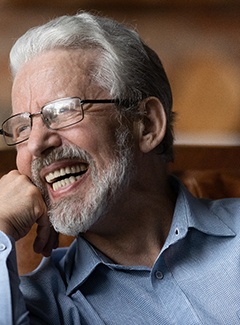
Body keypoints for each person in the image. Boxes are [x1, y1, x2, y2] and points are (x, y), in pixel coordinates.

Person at [0, 11, 239, 325]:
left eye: (62, 111)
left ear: (147, 125)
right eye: (22, 128)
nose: (35, 145)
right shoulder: (38, 307)